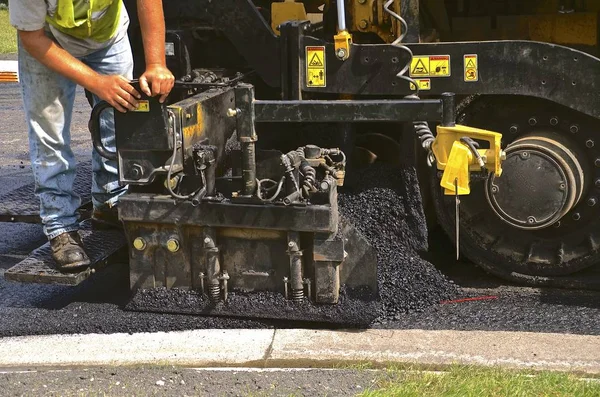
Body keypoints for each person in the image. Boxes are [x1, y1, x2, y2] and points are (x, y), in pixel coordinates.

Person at [9, 0, 174, 272]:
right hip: (48, 40)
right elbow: (32, 38)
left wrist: (156, 63)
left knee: (117, 121)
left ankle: (110, 203)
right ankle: (60, 226)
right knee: (49, 135)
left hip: (108, 37)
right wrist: (97, 83)